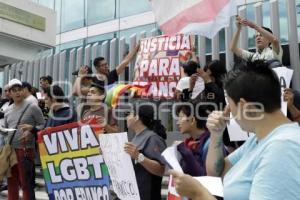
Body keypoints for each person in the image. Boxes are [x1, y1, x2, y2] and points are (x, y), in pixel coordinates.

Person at [170, 60, 300, 200]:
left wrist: (198, 194)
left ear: (244, 107)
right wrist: (216, 134)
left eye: (230, 105)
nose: (227, 111)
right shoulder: (257, 140)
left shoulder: (283, 148)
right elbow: (216, 171)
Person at [3, 79, 45, 200]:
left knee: (26, 184)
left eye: (19, 90)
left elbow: (42, 125)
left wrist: (31, 130)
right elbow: (6, 130)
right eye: (14, 91)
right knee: (11, 183)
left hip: (25, 150)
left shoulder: (32, 107)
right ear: (9, 93)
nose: (17, 93)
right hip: (10, 151)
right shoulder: (8, 110)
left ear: (23, 91)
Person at [124, 104, 167, 200]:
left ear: (137, 117)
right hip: (134, 194)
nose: (127, 117)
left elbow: (161, 170)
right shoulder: (135, 138)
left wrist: (139, 156)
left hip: (148, 195)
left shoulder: (153, 138)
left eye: (129, 114)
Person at [176, 104, 217, 176]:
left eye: (181, 117)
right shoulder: (189, 144)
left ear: (192, 120)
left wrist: (185, 152)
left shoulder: (210, 144)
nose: (177, 123)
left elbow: (207, 177)